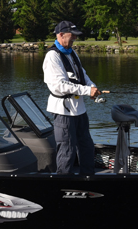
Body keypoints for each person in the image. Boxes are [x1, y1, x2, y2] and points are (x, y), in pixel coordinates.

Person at [43, 20, 101, 175]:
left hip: (79, 110)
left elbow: (82, 74)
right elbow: (59, 85)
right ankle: (63, 185)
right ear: (61, 35)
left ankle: (88, 179)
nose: (75, 38)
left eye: (76, 35)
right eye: (72, 35)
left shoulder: (72, 52)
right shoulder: (52, 56)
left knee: (87, 146)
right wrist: (86, 90)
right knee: (67, 150)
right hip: (63, 111)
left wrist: (92, 87)